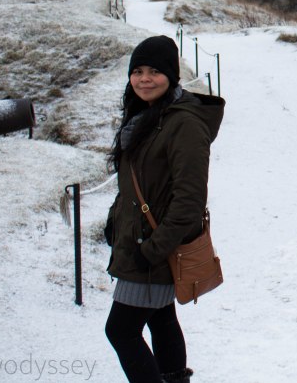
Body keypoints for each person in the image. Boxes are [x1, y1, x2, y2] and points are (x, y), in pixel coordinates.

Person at [103, 35, 225, 382]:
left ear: (172, 76)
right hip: (141, 242)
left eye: (155, 71)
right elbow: (137, 182)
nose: (144, 79)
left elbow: (189, 200)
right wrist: (115, 223)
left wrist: (153, 251)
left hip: (153, 247)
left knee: (121, 331)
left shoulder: (183, 124)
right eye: (137, 71)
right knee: (160, 317)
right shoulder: (146, 117)